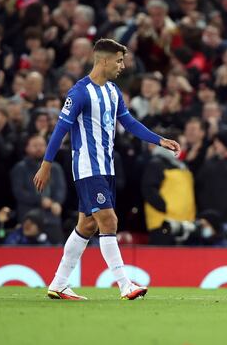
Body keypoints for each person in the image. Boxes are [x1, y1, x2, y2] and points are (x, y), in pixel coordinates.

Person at [33, 38, 181, 301]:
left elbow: (130, 123)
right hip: (88, 167)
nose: (122, 66)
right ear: (103, 60)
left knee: (87, 225)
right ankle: (125, 284)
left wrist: (159, 140)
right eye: (119, 60)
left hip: (106, 166)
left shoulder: (113, 92)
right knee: (109, 221)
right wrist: (46, 164)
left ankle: (58, 283)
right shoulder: (79, 92)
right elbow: (60, 130)